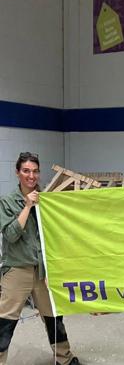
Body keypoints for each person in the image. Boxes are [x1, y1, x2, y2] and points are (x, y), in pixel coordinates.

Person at [0, 152, 80, 365]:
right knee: (5, 321)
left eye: (35, 171)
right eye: (26, 171)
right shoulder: (7, 202)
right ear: (17, 173)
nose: (31, 176)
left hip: (44, 270)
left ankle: (64, 358)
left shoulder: (47, 201)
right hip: (17, 269)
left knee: (54, 316)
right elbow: (10, 235)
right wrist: (27, 206)